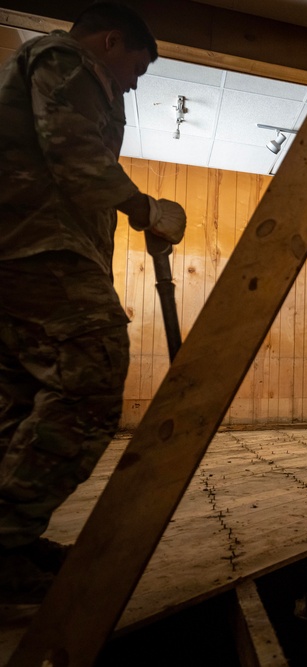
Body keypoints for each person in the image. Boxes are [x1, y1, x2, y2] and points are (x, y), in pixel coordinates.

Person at [0, 2, 186, 603]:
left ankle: (13, 546)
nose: (134, 83)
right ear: (110, 42)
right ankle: (4, 545)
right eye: (136, 68)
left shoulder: (56, 67)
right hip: (36, 249)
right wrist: (145, 210)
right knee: (91, 377)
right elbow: (73, 149)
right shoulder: (65, 58)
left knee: (22, 401)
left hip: (25, 252)